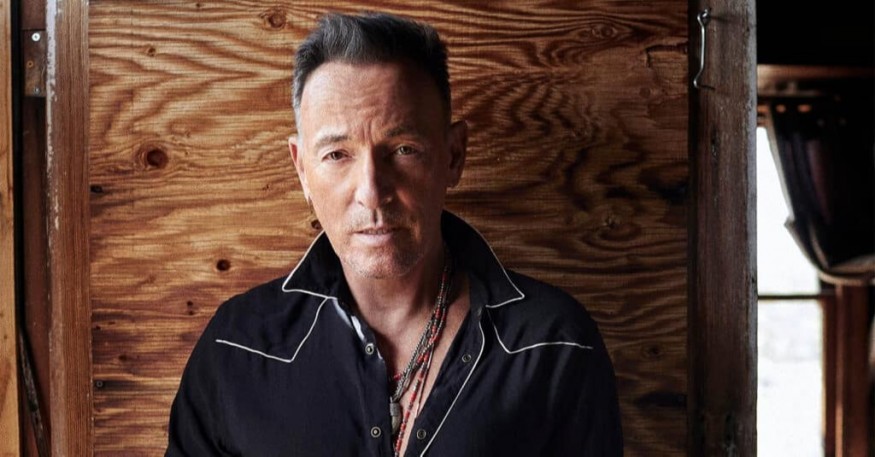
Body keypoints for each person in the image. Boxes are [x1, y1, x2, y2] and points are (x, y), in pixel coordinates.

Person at [167, 11, 622, 456]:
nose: (372, 193)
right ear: (301, 168)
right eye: (337, 154)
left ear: (453, 156)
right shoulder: (238, 345)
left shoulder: (553, 344)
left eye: (404, 149)